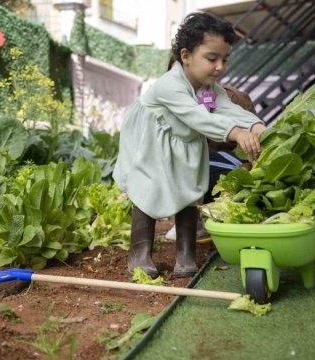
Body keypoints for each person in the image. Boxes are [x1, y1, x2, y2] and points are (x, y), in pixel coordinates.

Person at [113, 12, 266, 278]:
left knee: (189, 189)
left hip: (183, 143)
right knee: (146, 188)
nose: (219, 67)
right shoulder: (169, 85)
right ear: (186, 56)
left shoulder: (208, 88)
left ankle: (186, 255)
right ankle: (139, 254)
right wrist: (236, 133)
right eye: (212, 58)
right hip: (150, 141)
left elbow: (226, 108)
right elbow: (197, 117)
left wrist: (257, 127)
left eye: (224, 60)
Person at [163, 57, 258, 242]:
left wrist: (248, 164)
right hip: (194, 165)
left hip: (227, 165)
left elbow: (252, 139)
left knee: (207, 162)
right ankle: (190, 221)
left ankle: (236, 217)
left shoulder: (233, 97)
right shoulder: (170, 102)